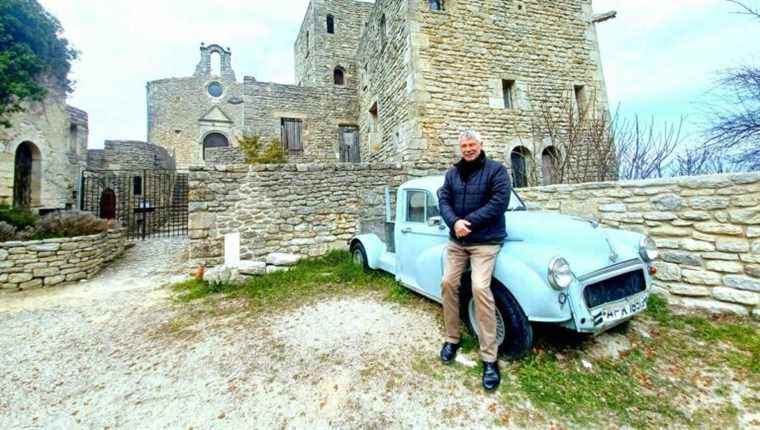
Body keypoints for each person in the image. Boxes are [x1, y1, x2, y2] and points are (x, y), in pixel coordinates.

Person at [437, 129, 511, 391]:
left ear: (481, 144)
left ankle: (490, 358)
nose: (468, 149)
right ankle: (452, 338)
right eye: (464, 145)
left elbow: (499, 202)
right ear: (460, 148)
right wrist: (454, 222)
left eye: (472, 144)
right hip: (458, 242)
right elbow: (443, 198)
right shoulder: (452, 173)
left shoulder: (496, 171)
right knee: (447, 283)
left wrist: (468, 222)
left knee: (480, 288)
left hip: (485, 242)